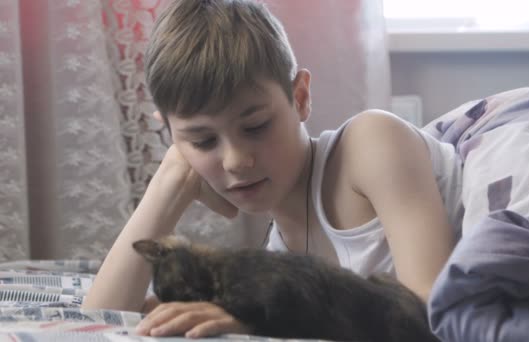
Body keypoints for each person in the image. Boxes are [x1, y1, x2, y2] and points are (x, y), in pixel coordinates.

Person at [82, 0, 460, 338]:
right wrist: (170, 182)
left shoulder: (370, 143)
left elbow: (432, 314)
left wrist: (267, 321)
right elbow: (100, 321)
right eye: (202, 141)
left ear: (300, 97)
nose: (235, 161)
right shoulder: (278, 245)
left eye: (256, 126)